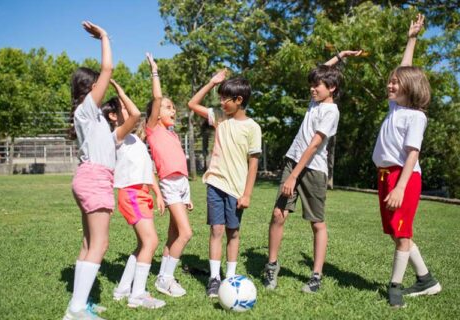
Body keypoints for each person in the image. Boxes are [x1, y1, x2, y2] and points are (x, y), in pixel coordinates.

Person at [263, 50, 362, 293]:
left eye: (316, 85)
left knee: (317, 222)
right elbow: (322, 69)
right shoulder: (314, 101)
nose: (312, 89)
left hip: (312, 171)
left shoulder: (331, 111)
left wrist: (294, 176)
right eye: (311, 85)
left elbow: (315, 144)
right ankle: (271, 266)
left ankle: (316, 276)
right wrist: (340, 56)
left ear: (332, 88)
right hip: (292, 162)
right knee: (278, 214)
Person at [371, 14, 441, 308]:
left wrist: (400, 187)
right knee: (397, 232)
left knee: (402, 234)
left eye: (396, 82)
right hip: (386, 176)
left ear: (409, 88)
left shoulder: (415, 116)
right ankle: (426, 280)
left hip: (404, 177)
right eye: (390, 80)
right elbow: (404, 67)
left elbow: (413, 153)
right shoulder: (395, 108)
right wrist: (411, 39)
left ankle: (395, 286)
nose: (390, 84)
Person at [188, 70, 262, 297]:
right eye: (219, 98)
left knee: (233, 232)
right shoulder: (219, 117)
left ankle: (230, 278)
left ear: (239, 101)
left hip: (237, 190)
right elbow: (192, 103)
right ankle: (214, 278)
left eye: (224, 99)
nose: (221, 102)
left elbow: (253, 164)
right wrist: (211, 82)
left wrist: (247, 194)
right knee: (216, 229)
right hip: (215, 183)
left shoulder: (253, 128)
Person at [64, 21, 115, 320]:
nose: (102, 87)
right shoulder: (86, 108)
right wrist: (104, 37)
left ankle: (80, 303)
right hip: (94, 178)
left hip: (92, 177)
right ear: (89, 87)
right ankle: (76, 310)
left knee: (88, 243)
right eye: (97, 83)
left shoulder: (91, 115)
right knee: (101, 243)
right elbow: (107, 69)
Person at [101, 80, 166, 309]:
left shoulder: (135, 139)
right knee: (151, 241)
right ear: (113, 116)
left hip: (142, 193)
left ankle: (122, 289)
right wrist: (120, 90)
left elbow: (147, 169)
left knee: (142, 245)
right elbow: (136, 114)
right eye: (123, 107)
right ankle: (137, 295)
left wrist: (157, 193)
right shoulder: (117, 136)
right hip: (131, 194)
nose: (129, 109)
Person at [142, 53, 193, 297]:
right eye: (167, 107)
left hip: (181, 184)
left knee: (174, 233)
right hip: (169, 184)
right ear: (155, 113)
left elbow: (181, 167)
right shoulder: (152, 130)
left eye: (173, 107)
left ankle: (163, 276)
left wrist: (188, 194)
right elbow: (157, 96)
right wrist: (155, 71)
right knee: (186, 233)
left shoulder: (173, 134)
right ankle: (165, 278)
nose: (172, 109)